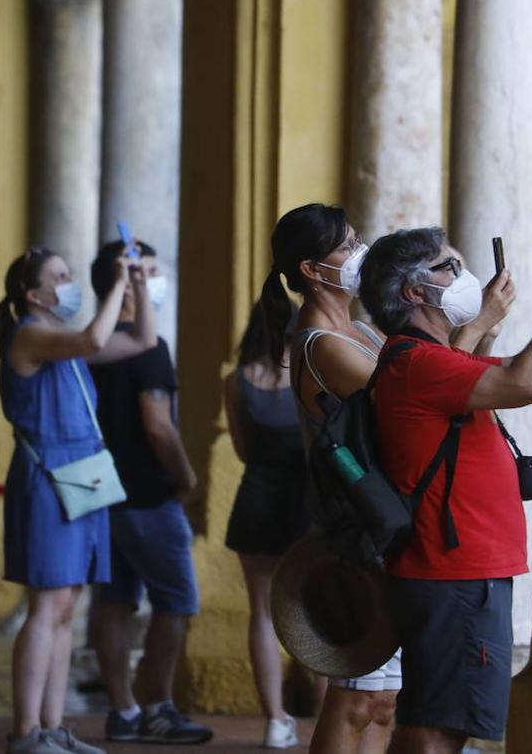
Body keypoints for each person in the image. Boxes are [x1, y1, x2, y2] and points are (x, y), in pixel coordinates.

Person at [260, 204, 512, 754]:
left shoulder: (364, 330)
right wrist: (477, 325)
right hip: (363, 523)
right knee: (357, 697)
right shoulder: (320, 342)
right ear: (311, 270)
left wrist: (473, 333)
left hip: (396, 521)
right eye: (347, 246)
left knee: (383, 697)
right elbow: (405, 399)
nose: (360, 253)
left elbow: (435, 376)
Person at [358, 228, 532, 754]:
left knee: (434, 720)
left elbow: (530, 371)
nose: (466, 280)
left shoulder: (426, 361)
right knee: (439, 729)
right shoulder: (420, 364)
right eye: (449, 268)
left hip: (458, 570)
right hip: (456, 571)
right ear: (415, 293)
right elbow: (525, 384)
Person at [0, 246, 156, 754]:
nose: (69, 284)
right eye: (60, 277)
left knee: (67, 607)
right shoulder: (28, 336)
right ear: (33, 294)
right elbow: (94, 335)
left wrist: (138, 286)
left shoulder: (63, 347)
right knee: (45, 608)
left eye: (70, 275)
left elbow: (144, 340)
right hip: (47, 477)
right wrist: (114, 286)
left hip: (83, 477)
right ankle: (25, 732)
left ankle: (51, 727)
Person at [87, 240, 213, 746]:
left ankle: (122, 711)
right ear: (128, 283)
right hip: (147, 497)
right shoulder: (149, 348)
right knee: (176, 602)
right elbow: (158, 427)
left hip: (101, 495)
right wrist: (185, 478)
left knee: (114, 604)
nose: (157, 280)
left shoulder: (90, 345)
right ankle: (158, 707)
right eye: (150, 272)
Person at [223, 302, 324, 749]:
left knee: (262, 612)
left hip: (256, 501)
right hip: (306, 505)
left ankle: (275, 720)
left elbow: (243, 450)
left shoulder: (237, 382)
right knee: (316, 611)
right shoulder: (311, 374)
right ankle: (325, 715)